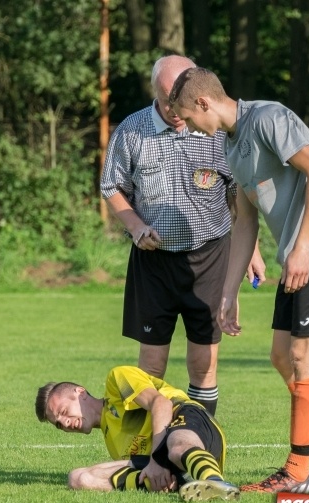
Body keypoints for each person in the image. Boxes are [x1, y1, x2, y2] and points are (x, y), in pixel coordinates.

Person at [169, 68, 309, 493]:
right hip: (300, 250)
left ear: (204, 103)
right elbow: (245, 223)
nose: (191, 128)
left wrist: (303, 247)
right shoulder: (230, 147)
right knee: (281, 355)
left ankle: (296, 471)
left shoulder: (269, 118)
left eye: (188, 117)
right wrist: (228, 290)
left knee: (303, 354)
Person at [100, 55, 265, 416]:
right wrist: (135, 226)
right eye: (165, 101)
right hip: (153, 263)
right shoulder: (132, 130)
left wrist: (250, 249)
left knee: (203, 363)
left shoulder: (215, 128)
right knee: (151, 365)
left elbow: (236, 189)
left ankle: (200, 445)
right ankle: (148, 453)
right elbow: (111, 185)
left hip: (210, 255)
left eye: (180, 101)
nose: (175, 111)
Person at [35, 365, 240, 503]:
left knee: (176, 447)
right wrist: (154, 469)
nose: (65, 423)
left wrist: (157, 461)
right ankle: (188, 483)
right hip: (166, 464)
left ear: (79, 392)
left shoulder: (117, 380)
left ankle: (216, 482)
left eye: (63, 412)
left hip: (186, 419)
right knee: (79, 478)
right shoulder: (112, 440)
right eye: (59, 425)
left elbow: (161, 403)